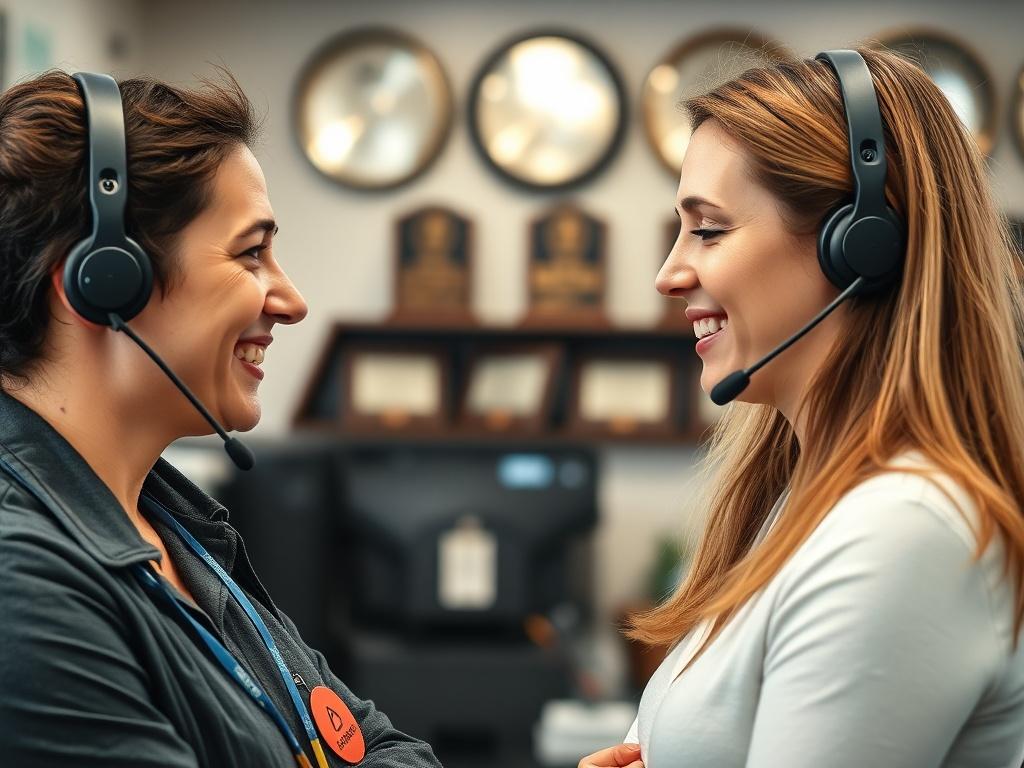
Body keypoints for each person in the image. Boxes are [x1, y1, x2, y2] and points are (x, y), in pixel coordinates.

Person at [580, 46, 1024, 768]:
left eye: (709, 229)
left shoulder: (901, 532)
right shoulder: (795, 504)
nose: (669, 274)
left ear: (862, 248)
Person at [0, 70, 441, 768]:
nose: (291, 300)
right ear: (101, 281)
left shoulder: (176, 528)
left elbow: (377, 747)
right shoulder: (24, 587)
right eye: (251, 253)